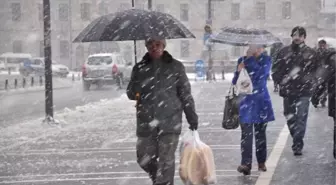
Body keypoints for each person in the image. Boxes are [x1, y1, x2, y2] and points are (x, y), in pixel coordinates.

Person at [126, 38, 199, 185]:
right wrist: (137, 88)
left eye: (157, 44)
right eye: (150, 45)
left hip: (170, 122)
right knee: (143, 158)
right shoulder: (139, 68)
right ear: (146, 47)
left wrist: (191, 116)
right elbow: (130, 93)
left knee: (166, 161)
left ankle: (163, 182)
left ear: (163, 46)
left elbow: (185, 94)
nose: (154, 47)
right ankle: (159, 179)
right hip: (146, 121)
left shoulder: (176, 66)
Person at [272, 26, 317, 156]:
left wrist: (311, 82)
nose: (297, 37)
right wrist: (280, 80)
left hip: (304, 91)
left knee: (301, 118)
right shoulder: (284, 51)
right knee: (289, 116)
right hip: (288, 90)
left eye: (300, 35)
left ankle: (297, 144)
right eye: (295, 35)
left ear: (304, 37)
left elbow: (315, 71)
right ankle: (296, 137)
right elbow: (276, 69)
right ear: (292, 36)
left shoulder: (310, 53)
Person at [232, 45, 275, 175]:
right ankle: (246, 163)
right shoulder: (242, 60)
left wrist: (249, 60)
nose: (252, 49)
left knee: (260, 134)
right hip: (245, 102)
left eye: (256, 47)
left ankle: (261, 161)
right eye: (251, 46)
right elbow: (236, 82)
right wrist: (238, 71)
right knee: (246, 135)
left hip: (261, 102)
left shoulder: (266, 60)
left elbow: (261, 78)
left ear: (261, 48)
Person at [315, 51, 336, 159]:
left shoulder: (331, 59)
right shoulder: (332, 58)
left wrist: (316, 95)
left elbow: (322, 81)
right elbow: (323, 81)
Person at [311, 39, 329, 108]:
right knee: (316, 88)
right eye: (321, 44)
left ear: (325, 45)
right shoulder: (315, 52)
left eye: (323, 44)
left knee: (324, 89)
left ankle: (322, 100)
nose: (322, 46)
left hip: (325, 73)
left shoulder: (328, 52)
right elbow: (312, 63)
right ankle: (315, 101)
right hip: (316, 73)